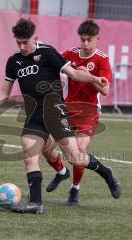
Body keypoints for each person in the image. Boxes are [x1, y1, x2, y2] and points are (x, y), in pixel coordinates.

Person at [0, 18, 121, 214]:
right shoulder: (14, 61)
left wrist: (94, 78)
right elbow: (5, 91)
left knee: (75, 158)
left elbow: (73, 74)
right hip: (34, 117)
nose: (22, 47)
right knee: (30, 157)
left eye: (25, 42)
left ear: (35, 38)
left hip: (55, 113)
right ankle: (36, 204)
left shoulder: (47, 52)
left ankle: (106, 172)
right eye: (18, 43)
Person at [43, 20, 115, 206]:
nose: (85, 44)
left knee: (79, 152)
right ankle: (61, 172)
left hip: (89, 111)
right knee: (47, 148)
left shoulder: (102, 59)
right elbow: (52, 64)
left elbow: (105, 91)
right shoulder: (69, 54)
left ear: (97, 39)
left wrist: (86, 76)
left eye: (89, 40)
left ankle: (75, 189)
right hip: (66, 109)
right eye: (82, 40)